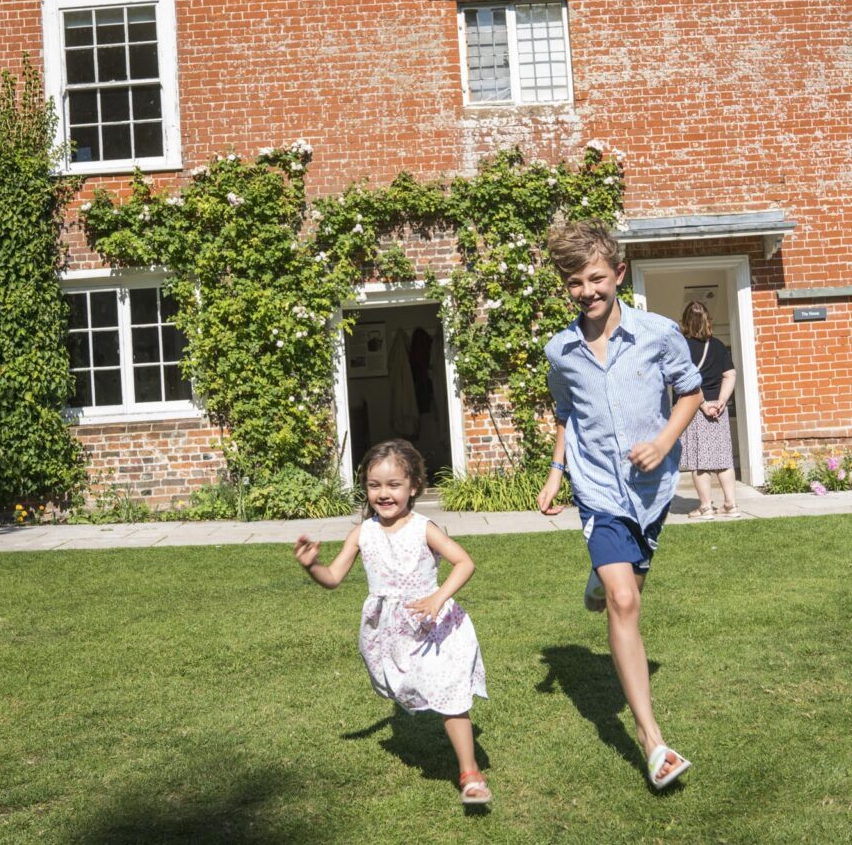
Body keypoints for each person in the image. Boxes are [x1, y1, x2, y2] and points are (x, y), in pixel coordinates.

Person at [535, 220, 703, 790]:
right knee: (624, 600)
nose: (587, 291)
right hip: (598, 490)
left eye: (596, 278)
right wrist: (557, 473)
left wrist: (662, 441)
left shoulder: (659, 334)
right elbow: (566, 415)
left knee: (626, 589)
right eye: (575, 282)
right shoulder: (560, 350)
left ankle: (600, 577)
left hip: (650, 492)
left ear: (619, 274)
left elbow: (690, 392)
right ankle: (653, 741)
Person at [293, 439, 492, 805]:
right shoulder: (362, 533)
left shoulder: (423, 528)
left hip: (432, 627)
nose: (383, 494)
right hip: (392, 632)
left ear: (413, 486)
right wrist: (312, 566)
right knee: (414, 688)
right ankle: (465, 766)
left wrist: (437, 597)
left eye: (393, 485)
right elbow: (333, 578)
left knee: (448, 690)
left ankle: (470, 774)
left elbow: (465, 563)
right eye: (374, 485)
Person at [677, 299, 741, 519]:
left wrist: (702, 404)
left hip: (694, 408)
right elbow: (730, 374)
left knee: (699, 461)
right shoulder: (718, 345)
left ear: (685, 321)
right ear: (707, 321)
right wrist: (721, 401)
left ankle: (705, 507)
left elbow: (683, 380)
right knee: (723, 458)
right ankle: (731, 505)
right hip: (718, 410)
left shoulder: (682, 347)